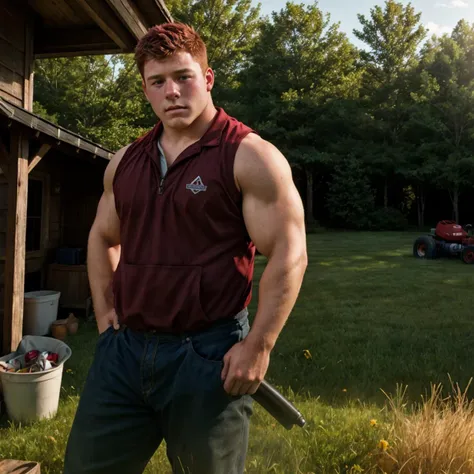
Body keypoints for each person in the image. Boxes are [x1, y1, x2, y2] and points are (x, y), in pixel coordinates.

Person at [63, 22, 307, 474]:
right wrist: (104, 313)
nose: (172, 91)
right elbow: (102, 236)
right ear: (145, 90)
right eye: (158, 82)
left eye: (184, 76)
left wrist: (259, 346)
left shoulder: (249, 156)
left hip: (207, 356)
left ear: (208, 78)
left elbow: (290, 253)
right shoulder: (125, 161)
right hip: (125, 354)